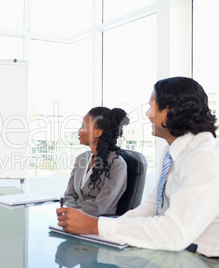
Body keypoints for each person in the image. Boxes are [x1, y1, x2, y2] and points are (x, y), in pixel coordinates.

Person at [56, 77, 219, 257]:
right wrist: (105, 232)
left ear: (169, 110)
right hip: (168, 249)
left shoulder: (205, 157)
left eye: (151, 106)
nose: (147, 114)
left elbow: (175, 232)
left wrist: (95, 225)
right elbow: (153, 205)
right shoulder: (173, 151)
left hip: (199, 258)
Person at [63, 107, 130, 216]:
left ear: (98, 132)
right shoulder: (81, 159)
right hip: (74, 219)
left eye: (83, 126)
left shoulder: (116, 165)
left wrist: (75, 213)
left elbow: (101, 206)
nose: (79, 130)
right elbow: (69, 195)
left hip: (98, 223)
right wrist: (70, 212)